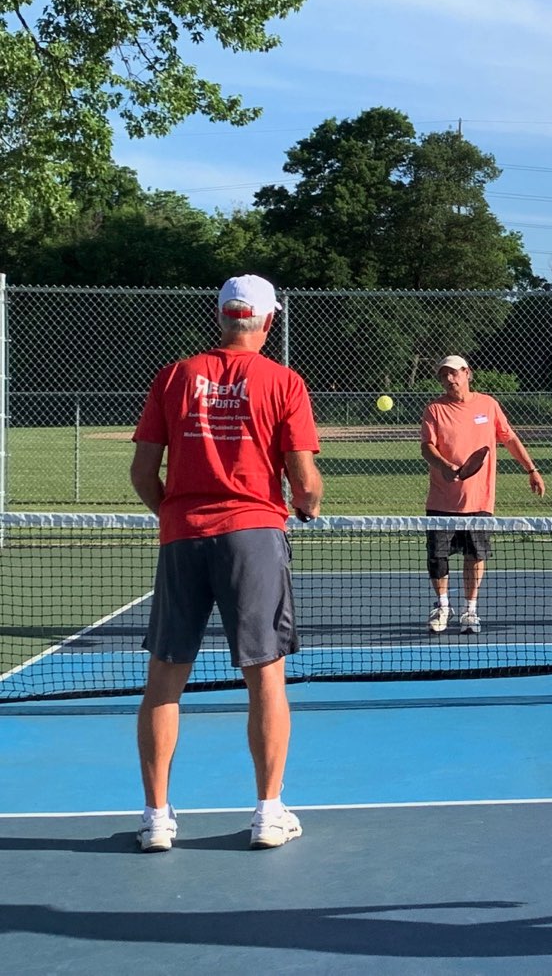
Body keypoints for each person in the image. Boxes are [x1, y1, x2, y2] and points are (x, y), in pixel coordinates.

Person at [129, 274, 323, 853]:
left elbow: (142, 473)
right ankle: (268, 812)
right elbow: (306, 483)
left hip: (181, 537)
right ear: (268, 321)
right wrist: (306, 506)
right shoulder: (284, 381)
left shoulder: (174, 376)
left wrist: (177, 513)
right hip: (254, 536)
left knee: (165, 674)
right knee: (264, 674)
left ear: (222, 317)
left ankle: (156, 819)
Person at [420, 355, 546, 633]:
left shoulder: (488, 405)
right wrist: (444, 465)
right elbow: (427, 447)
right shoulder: (434, 409)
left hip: (479, 500)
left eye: (453, 373)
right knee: (437, 558)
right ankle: (442, 607)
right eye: (443, 376)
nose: (449, 380)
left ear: (467, 373)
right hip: (442, 500)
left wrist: (531, 469)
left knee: (475, 557)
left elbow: (509, 438)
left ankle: (470, 612)